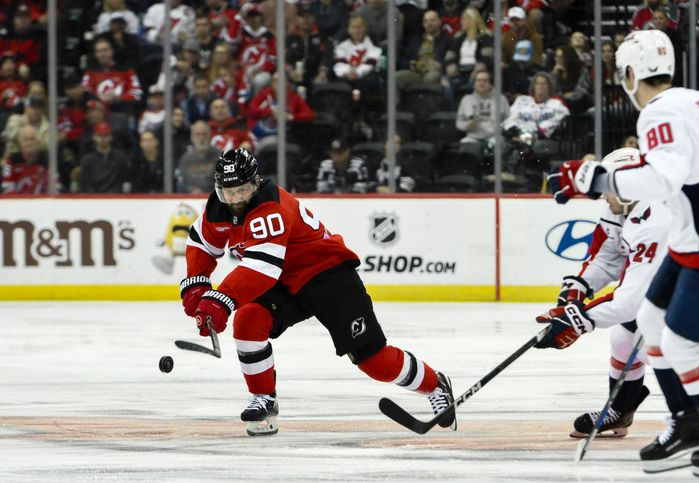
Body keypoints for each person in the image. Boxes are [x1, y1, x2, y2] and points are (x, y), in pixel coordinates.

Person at [554, 30, 699, 478]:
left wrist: (595, 181)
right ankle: (686, 426)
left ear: (628, 74)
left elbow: (662, 179)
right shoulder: (695, 100)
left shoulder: (657, 113)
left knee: (682, 343)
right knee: (649, 320)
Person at [179, 148, 455, 436]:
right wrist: (196, 283)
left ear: (256, 183)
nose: (235, 200)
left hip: (327, 276)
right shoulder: (217, 208)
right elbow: (201, 243)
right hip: (285, 282)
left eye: (242, 190)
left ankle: (435, 384)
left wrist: (220, 300)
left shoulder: (269, 208)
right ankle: (264, 400)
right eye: (228, 192)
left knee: (374, 362)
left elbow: (261, 269)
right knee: (248, 321)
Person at [537, 147, 673, 438]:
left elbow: (631, 301)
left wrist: (578, 319)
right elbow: (607, 257)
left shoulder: (657, 219)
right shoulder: (622, 206)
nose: (602, 196)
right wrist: (579, 288)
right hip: (670, 287)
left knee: (654, 342)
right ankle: (621, 410)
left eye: (608, 188)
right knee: (624, 339)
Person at [76, 121, 131, 193]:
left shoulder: (121, 158)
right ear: (94, 137)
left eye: (106, 135)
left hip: (116, 199)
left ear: (111, 137)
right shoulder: (87, 160)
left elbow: (125, 181)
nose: (103, 139)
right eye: (100, 135)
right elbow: (85, 185)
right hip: (94, 200)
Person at [1, 124, 48, 194]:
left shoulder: (46, 161)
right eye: (25, 139)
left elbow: (55, 187)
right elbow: (6, 189)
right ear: (19, 143)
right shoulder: (11, 161)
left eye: (32, 139)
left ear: (38, 142)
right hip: (17, 203)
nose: (29, 143)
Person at [177, 120, 219, 193]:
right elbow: (184, 179)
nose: (201, 138)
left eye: (204, 134)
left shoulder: (219, 156)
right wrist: (191, 189)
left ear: (209, 135)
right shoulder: (186, 158)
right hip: (190, 196)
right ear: (192, 137)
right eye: (198, 134)